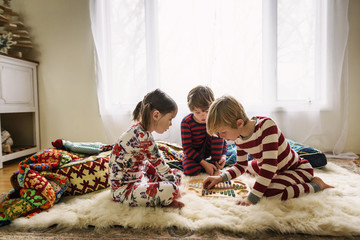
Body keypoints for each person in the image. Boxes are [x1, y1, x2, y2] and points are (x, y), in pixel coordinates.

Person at [203, 95, 334, 206]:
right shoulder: (239, 137)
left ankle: (316, 185)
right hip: (272, 167)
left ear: (239, 124)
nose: (220, 136)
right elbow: (240, 166)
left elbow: (269, 167)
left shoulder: (266, 126)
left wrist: (251, 199)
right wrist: (219, 178)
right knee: (248, 168)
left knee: (270, 193)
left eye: (222, 132)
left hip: (296, 168)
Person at [109, 89, 184, 209]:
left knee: (175, 174)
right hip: (124, 192)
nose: (170, 124)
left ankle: (162, 196)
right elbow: (161, 165)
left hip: (137, 178)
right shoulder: (144, 137)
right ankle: (164, 201)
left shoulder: (138, 130)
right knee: (172, 187)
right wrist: (176, 191)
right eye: (170, 119)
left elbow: (151, 164)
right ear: (156, 115)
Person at [181, 85, 227, 176]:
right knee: (189, 169)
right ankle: (210, 165)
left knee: (216, 134)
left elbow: (222, 140)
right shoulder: (186, 122)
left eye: (206, 111)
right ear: (192, 109)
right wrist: (204, 164)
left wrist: (224, 155)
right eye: (197, 112)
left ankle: (215, 164)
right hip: (195, 154)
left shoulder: (214, 119)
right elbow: (187, 148)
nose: (203, 116)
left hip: (212, 152)